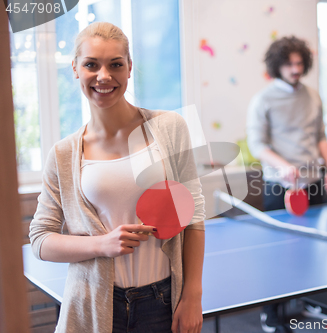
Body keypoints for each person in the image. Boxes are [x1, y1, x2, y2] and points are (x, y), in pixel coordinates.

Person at [29, 22, 205, 333]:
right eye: (91, 65)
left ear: (129, 68)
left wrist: (192, 295)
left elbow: (194, 217)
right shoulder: (62, 154)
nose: (104, 76)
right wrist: (102, 244)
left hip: (162, 302)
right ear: (74, 68)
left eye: (115, 65)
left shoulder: (170, 127)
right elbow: (41, 240)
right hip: (95, 302)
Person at [247, 36, 327, 333]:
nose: (296, 69)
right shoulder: (263, 100)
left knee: (309, 249)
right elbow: (257, 145)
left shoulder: (313, 96)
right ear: (278, 66)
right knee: (278, 253)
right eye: (289, 64)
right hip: (280, 186)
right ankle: (270, 313)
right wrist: (283, 166)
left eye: (300, 63)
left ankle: (305, 300)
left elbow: (321, 137)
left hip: (312, 183)